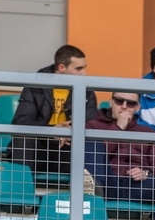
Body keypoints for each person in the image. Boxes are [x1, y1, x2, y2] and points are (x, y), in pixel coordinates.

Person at [8, 44, 99, 173]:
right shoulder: (36, 85)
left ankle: (88, 185)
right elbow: (21, 122)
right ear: (61, 68)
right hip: (40, 146)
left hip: (69, 147)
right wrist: (51, 131)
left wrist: (72, 133)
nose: (84, 74)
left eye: (84, 68)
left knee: (92, 144)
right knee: (23, 138)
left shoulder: (87, 91)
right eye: (78, 69)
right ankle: (22, 184)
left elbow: (92, 124)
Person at [85, 91, 155, 210]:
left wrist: (146, 173)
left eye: (130, 103)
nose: (124, 106)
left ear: (137, 108)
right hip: (107, 183)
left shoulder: (148, 132)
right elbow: (94, 156)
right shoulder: (93, 126)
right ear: (111, 102)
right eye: (119, 101)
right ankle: (94, 194)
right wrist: (118, 128)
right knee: (93, 141)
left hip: (139, 186)